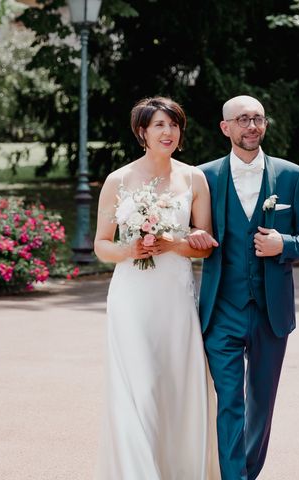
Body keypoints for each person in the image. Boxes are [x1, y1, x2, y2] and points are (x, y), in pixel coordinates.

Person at [187, 95, 299, 479]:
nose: (252, 126)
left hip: (270, 311)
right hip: (221, 310)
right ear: (225, 127)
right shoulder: (203, 176)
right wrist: (193, 233)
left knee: (261, 402)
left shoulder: (291, 175)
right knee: (230, 401)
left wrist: (285, 245)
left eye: (258, 118)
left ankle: (246, 471)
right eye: (243, 119)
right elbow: (188, 230)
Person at [93, 97, 220, 479]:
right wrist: (131, 249)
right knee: (140, 385)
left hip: (176, 296)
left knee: (176, 383)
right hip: (132, 295)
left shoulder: (194, 178)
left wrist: (174, 243)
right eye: (159, 125)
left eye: (174, 125)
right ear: (142, 132)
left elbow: (206, 242)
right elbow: (101, 244)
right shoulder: (118, 179)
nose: (168, 132)